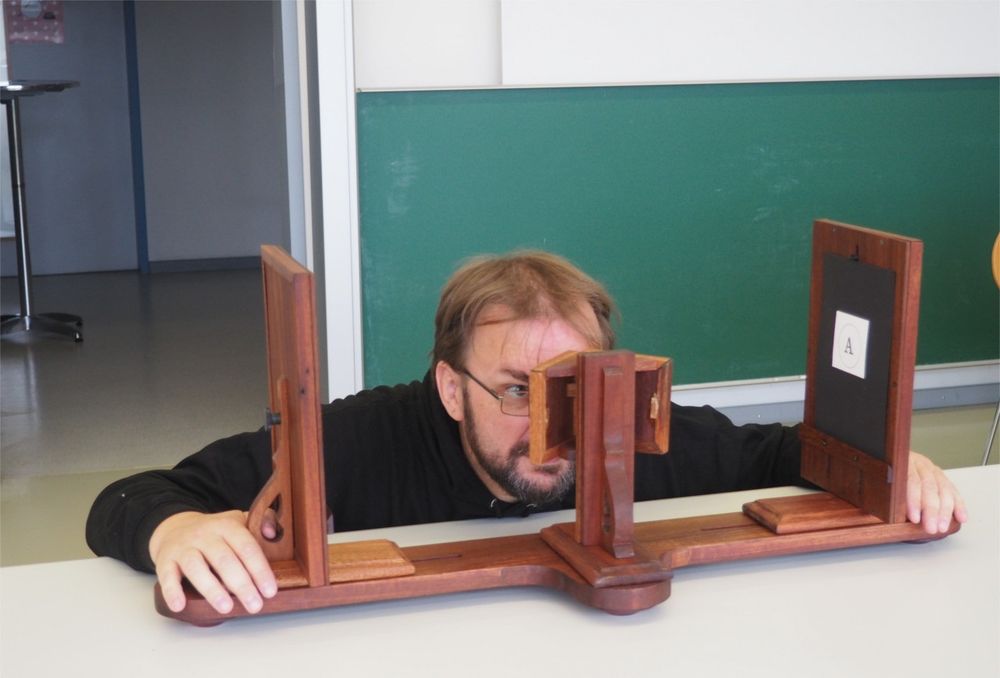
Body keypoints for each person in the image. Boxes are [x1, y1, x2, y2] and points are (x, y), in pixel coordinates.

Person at [86, 250, 967, 617]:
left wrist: (894, 465)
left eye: (574, 388)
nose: (555, 431)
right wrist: (178, 528)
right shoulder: (358, 439)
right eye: (517, 391)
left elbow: (782, 452)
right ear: (450, 387)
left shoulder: (625, 434)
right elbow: (129, 497)